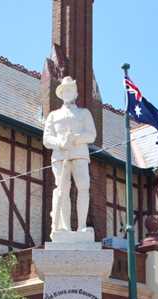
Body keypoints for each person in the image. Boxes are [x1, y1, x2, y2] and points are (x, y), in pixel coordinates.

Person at [43, 76, 97, 237]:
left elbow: (91, 135)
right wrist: (60, 143)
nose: (68, 92)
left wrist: (76, 138)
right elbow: (47, 138)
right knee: (62, 189)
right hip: (60, 156)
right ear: (61, 93)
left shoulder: (84, 113)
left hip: (79, 153)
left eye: (71, 89)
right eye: (65, 90)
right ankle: (64, 227)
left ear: (75, 93)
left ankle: (81, 226)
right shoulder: (53, 115)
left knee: (83, 187)